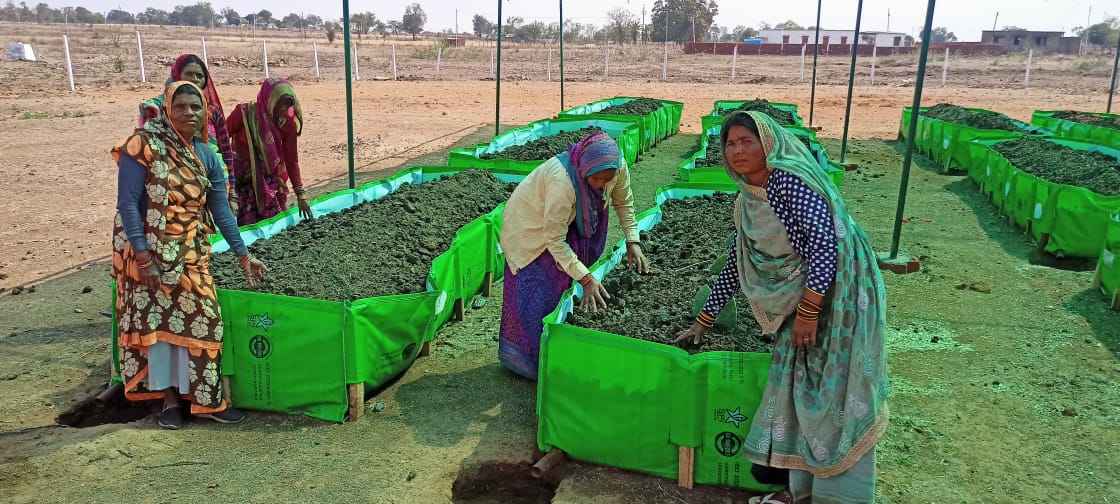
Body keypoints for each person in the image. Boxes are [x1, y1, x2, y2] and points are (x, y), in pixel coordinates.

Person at [675, 112, 888, 504]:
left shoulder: (788, 182)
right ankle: (802, 491)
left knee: (836, 391)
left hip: (840, 297)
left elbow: (827, 247)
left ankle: (839, 496)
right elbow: (740, 263)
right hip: (807, 297)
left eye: (747, 141)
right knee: (803, 390)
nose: (738, 150)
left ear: (768, 144)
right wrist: (703, 321)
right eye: (730, 143)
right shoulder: (749, 200)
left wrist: (808, 314)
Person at [113, 81, 269, 430]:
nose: (189, 113)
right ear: (166, 109)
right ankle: (169, 402)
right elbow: (127, 204)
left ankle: (207, 401)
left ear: (205, 114)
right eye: (180, 106)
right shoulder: (143, 146)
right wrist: (143, 258)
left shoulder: (206, 156)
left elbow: (221, 211)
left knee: (207, 319)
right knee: (160, 331)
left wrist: (244, 256)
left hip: (190, 253)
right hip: (148, 256)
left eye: (196, 107)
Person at [498, 131, 650, 379]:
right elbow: (554, 240)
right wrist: (586, 278)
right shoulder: (563, 183)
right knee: (537, 295)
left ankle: (551, 353)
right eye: (597, 180)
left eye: (607, 179)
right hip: (530, 230)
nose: (602, 185)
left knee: (559, 286)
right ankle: (529, 363)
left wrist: (633, 240)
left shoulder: (617, 166)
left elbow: (624, 201)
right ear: (584, 170)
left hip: (561, 226)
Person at [138, 54, 236, 212]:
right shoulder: (157, 108)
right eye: (189, 74)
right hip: (174, 182)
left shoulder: (211, 111)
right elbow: (147, 150)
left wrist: (233, 193)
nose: (195, 79)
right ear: (177, 75)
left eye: (200, 75)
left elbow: (226, 150)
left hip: (213, 178)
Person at [226, 77, 311, 226]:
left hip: (270, 182)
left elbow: (292, 160)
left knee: (274, 224)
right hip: (244, 180)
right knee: (246, 223)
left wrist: (300, 194)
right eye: (280, 104)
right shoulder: (245, 113)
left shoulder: (287, 124)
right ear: (269, 100)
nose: (284, 110)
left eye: (288, 104)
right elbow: (223, 136)